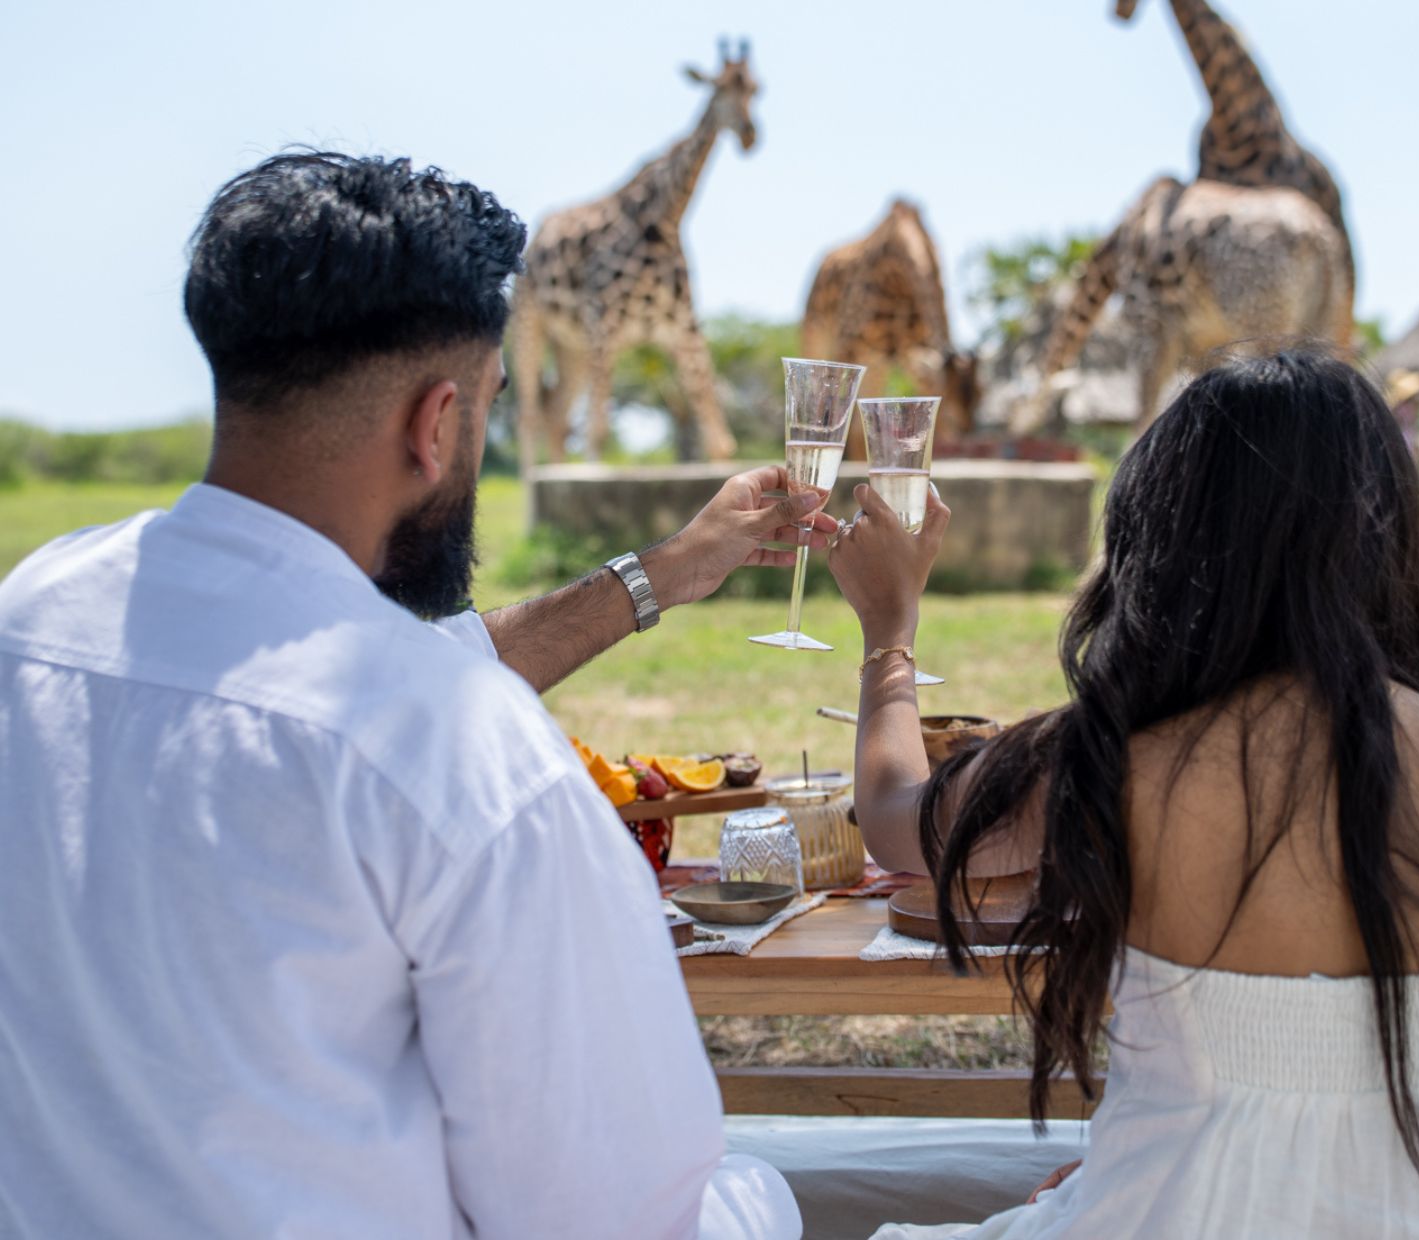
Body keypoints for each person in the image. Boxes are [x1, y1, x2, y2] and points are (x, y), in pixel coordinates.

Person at [0, 152, 819, 1238]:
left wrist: (664, 570)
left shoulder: (33, 619)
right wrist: (764, 1201)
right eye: (487, 411)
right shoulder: (467, 757)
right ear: (437, 422)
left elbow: (359, 671)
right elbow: (623, 1217)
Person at [828, 348, 1419, 1238]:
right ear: (1393, 533)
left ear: (1167, 534)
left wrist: (888, 633)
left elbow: (899, 822)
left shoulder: (1116, 758)